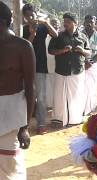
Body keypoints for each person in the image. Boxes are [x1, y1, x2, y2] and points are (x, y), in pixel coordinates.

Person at [0, 1, 35, 179]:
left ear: (5, 21)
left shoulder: (23, 47)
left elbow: (30, 88)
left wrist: (25, 127)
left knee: (11, 168)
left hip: (13, 114)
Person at [48, 12, 91, 126]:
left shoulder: (83, 36)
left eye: (68, 21)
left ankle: (74, 119)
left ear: (75, 23)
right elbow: (51, 50)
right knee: (59, 96)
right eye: (64, 21)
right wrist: (63, 50)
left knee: (76, 95)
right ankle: (58, 118)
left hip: (77, 71)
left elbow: (89, 52)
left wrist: (82, 50)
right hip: (61, 71)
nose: (65, 24)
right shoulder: (59, 36)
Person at [22, 3, 58, 134]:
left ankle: (41, 124)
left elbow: (55, 35)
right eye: (27, 16)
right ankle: (23, 124)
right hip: (25, 67)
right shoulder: (23, 29)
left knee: (41, 97)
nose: (30, 17)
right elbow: (25, 47)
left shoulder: (43, 27)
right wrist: (32, 34)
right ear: (24, 17)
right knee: (26, 96)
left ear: (36, 14)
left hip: (40, 66)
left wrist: (46, 22)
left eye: (32, 14)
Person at [82, 15, 97, 115]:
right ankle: (81, 108)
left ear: (94, 23)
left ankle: (90, 108)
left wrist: (91, 62)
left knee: (92, 86)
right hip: (80, 64)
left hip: (93, 65)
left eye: (91, 22)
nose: (89, 24)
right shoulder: (79, 34)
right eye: (87, 21)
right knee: (81, 87)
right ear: (84, 22)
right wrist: (84, 62)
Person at [46, 18, 60, 111]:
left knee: (58, 87)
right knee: (49, 88)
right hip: (47, 66)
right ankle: (50, 105)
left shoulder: (61, 37)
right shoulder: (44, 38)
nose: (55, 26)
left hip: (59, 68)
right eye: (53, 24)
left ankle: (58, 105)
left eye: (57, 24)